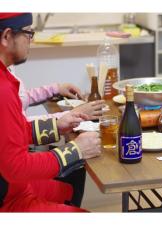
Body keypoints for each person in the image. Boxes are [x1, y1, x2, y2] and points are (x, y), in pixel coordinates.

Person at [0, 13, 101, 212]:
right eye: (28, 33)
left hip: (11, 188)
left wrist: (57, 125)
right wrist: (75, 150)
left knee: (68, 190)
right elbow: (16, 168)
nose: (31, 41)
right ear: (7, 36)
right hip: (9, 199)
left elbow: (10, 133)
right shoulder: (2, 89)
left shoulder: (5, 78)